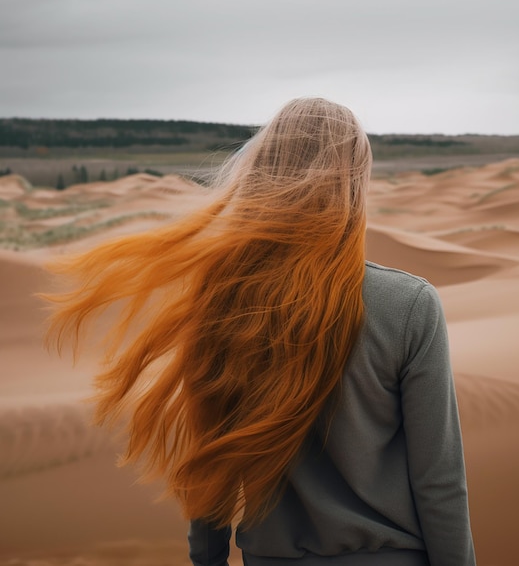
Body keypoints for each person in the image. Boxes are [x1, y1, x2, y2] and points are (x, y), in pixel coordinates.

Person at [45, 98, 476, 566]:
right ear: (355, 180)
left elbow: (211, 461)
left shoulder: (226, 300)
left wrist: (207, 558)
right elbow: (439, 480)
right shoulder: (411, 306)